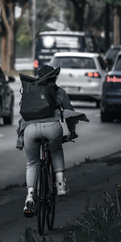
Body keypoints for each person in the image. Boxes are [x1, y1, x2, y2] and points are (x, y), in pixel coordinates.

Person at [16, 65, 89, 213]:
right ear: (54, 77)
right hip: (52, 128)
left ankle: (30, 196)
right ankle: (60, 183)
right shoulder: (59, 91)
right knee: (56, 150)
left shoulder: (29, 90)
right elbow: (69, 112)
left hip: (30, 129)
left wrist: (21, 136)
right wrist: (72, 131)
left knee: (32, 163)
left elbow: (23, 113)